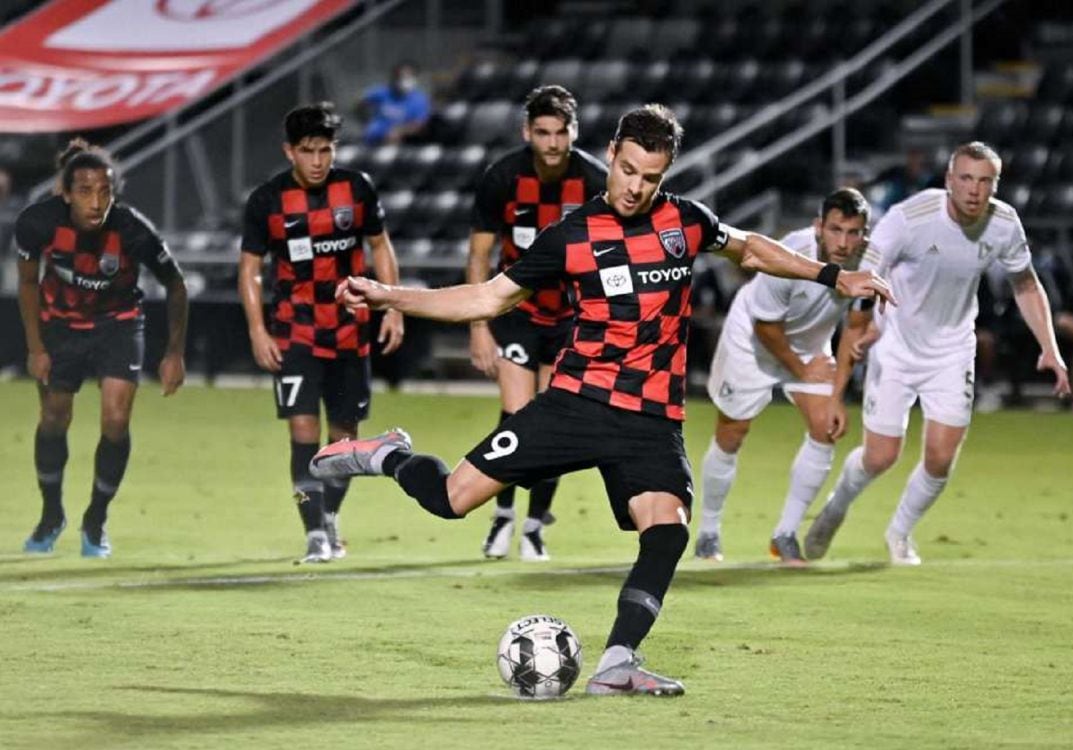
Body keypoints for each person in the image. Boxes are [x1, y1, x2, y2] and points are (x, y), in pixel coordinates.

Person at [309, 105, 894, 695]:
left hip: (650, 418)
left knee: (667, 529)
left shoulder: (685, 222)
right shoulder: (572, 236)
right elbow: (485, 299)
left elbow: (750, 249)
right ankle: (385, 455)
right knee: (449, 500)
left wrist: (831, 276)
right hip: (576, 403)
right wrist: (388, 295)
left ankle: (617, 662)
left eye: (652, 177)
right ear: (612, 154)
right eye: (630, 170)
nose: (637, 187)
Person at [804, 141, 1071, 566]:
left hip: (953, 350)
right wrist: (867, 328)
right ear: (949, 180)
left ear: (994, 186)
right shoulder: (910, 219)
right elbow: (865, 275)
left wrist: (1050, 349)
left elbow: (1025, 283)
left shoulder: (1004, 224)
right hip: (897, 346)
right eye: (965, 178)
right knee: (881, 456)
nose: (974, 190)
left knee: (941, 458)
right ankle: (836, 507)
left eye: (985, 181)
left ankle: (900, 533)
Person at [238, 102, 404, 564]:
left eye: (326, 150)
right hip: (295, 333)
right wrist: (257, 329)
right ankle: (313, 530)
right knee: (303, 431)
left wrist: (392, 308)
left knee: (344, 438)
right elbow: (250, 269)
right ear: (289, 150)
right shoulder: (267, 200)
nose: (317, 161)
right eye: (308, 151)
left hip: (351, 332)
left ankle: (329, 516)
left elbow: (380, 247)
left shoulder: (356, 189)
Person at [16, 139, 188, 558]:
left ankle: (96, 519)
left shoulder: (132, 229)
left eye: (105, 191)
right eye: (86, 191)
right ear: (66, 192)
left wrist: (174, 352)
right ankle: (52, 514)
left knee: (115, 418)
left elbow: (176, 284)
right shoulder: (38, 222)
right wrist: (35, 347)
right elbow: (25, 283)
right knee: (55, 418)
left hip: (118, 326)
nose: (97, 202)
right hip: (59, 327)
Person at [694, 188, 872, 565]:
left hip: (809, 344)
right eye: (836, 230)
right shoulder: (792, 254)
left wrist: (837, 395)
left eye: (853, 232)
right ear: (818, 226)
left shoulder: (870, 264)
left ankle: (785, 534)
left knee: (826, 427)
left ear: (864, 235)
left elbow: (855, 328)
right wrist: (802, 368)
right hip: (753, 338)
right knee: (731, 433)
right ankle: (708, 533)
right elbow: (766, 328)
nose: (843, 242)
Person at [467, 85, 607, 561]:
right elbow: (480, 254)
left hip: (571, 318)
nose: (551, 142)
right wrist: (478, 324)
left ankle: (532, 527)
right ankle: (502, 516)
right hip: (516, 312)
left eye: (560, 132)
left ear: (573, 132)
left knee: (555, 416)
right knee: (518, 412)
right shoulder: (502, 176)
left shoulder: (593, 180)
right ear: (527, 132)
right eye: (542, 132)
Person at [360, 62, 431, 147]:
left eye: (408, 77)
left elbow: (420, 124)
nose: (405, 80)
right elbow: (360, 103)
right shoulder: (382, 92)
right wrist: (366, 121)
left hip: (397, 143)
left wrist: (400, 131)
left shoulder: (419, 100)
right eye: (401, 77)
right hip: (371, 140)